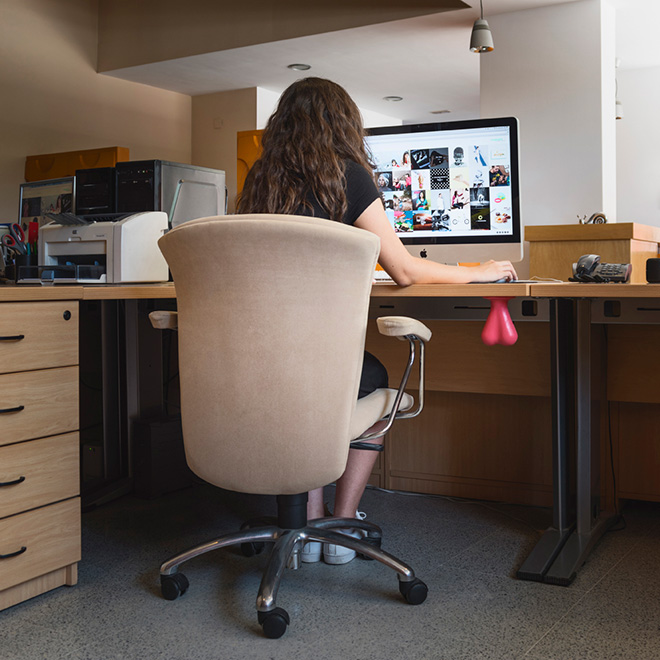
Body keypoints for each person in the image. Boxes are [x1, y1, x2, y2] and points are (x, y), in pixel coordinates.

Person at [237, 77, 517, 563]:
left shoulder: (259, 179)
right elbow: (405, 270)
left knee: (315, 386)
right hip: (317, 361)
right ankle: (335, 529)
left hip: (255, 361)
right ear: (343, 124)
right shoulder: (346, 173)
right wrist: (479, 272)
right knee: (371, 378)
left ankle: (306, 523)